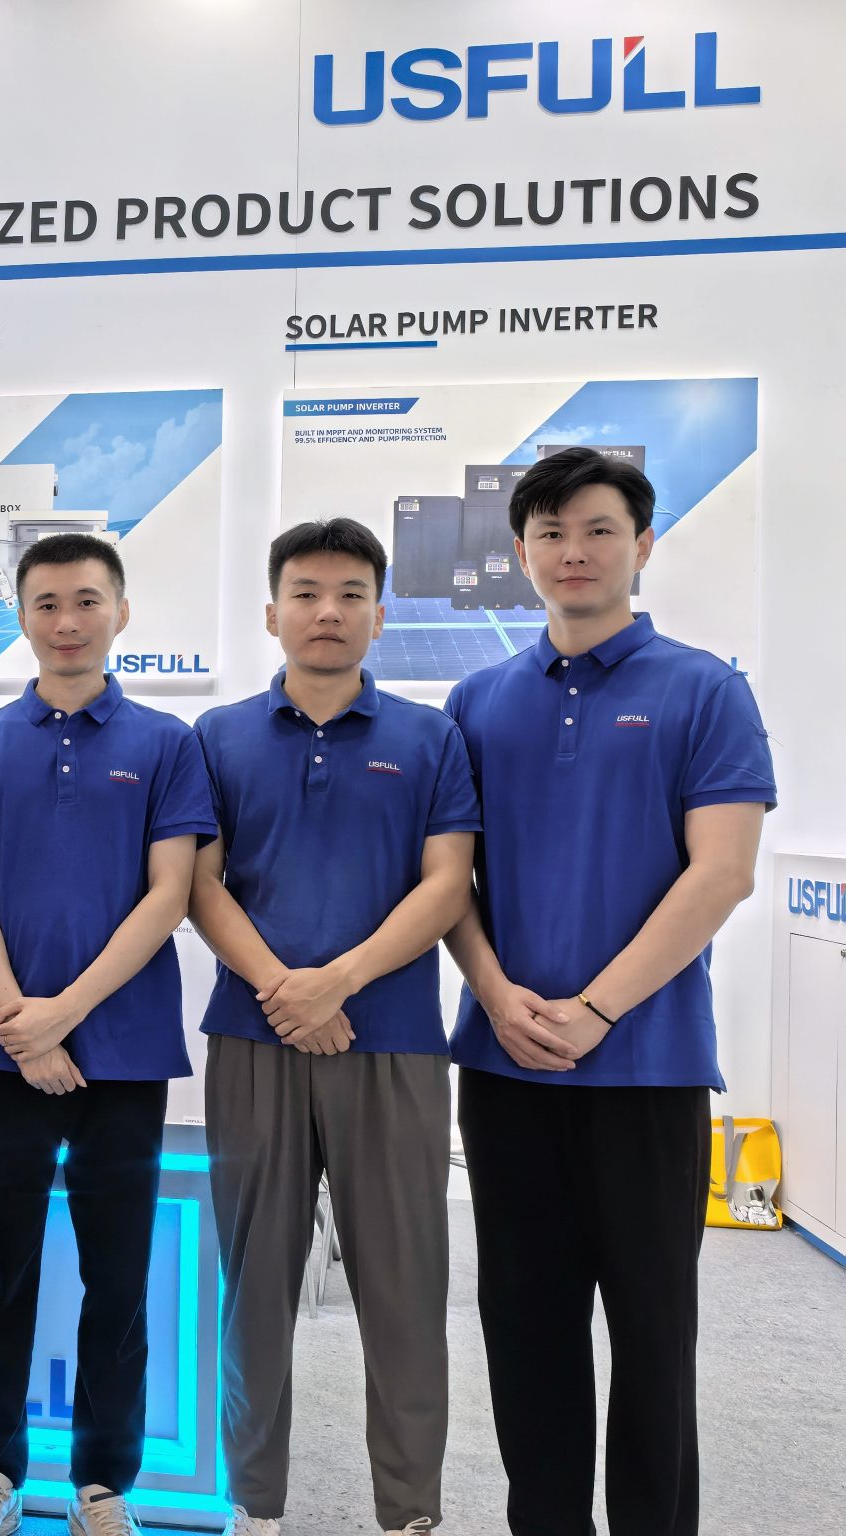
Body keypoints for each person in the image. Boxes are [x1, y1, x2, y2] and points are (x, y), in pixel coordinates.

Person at [442, 447, 773, 1536]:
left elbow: (721, 872)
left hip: (646, 1068)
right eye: (549, 533)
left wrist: (594, 1011)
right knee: (523, 1330)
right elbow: (448, 883)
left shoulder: (704, 689)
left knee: (652, 1336)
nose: (572, 552)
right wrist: (494, 994)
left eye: (597, 530)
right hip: (505, 1066)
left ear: (643, 544)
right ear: (521, 551)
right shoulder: (475, 701)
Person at [188, 520, 478, 1536]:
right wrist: (283, 989)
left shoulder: (430, 738)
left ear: (380, 616)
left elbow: (446, 884)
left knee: (404, 1290)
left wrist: (338, 983)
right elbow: (199, 884)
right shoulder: (217, 737)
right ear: (270, 613)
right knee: (253, 1288)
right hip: (253, 1037)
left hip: (392, 1041)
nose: (327, 611)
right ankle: (255, 1508)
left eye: (351, 593)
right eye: (305, 593)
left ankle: (409, 1513)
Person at [0, 533, 217, 1536]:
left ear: (120, 613)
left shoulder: (165, 743)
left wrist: (65, 1013)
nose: (67, 621)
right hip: (1, 1051)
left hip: (124, 1051)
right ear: (20, 617)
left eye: (86, 601)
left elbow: (169, 895)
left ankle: (103, 1485)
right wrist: (22, 1019)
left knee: (117, 1276)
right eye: (47, 603)